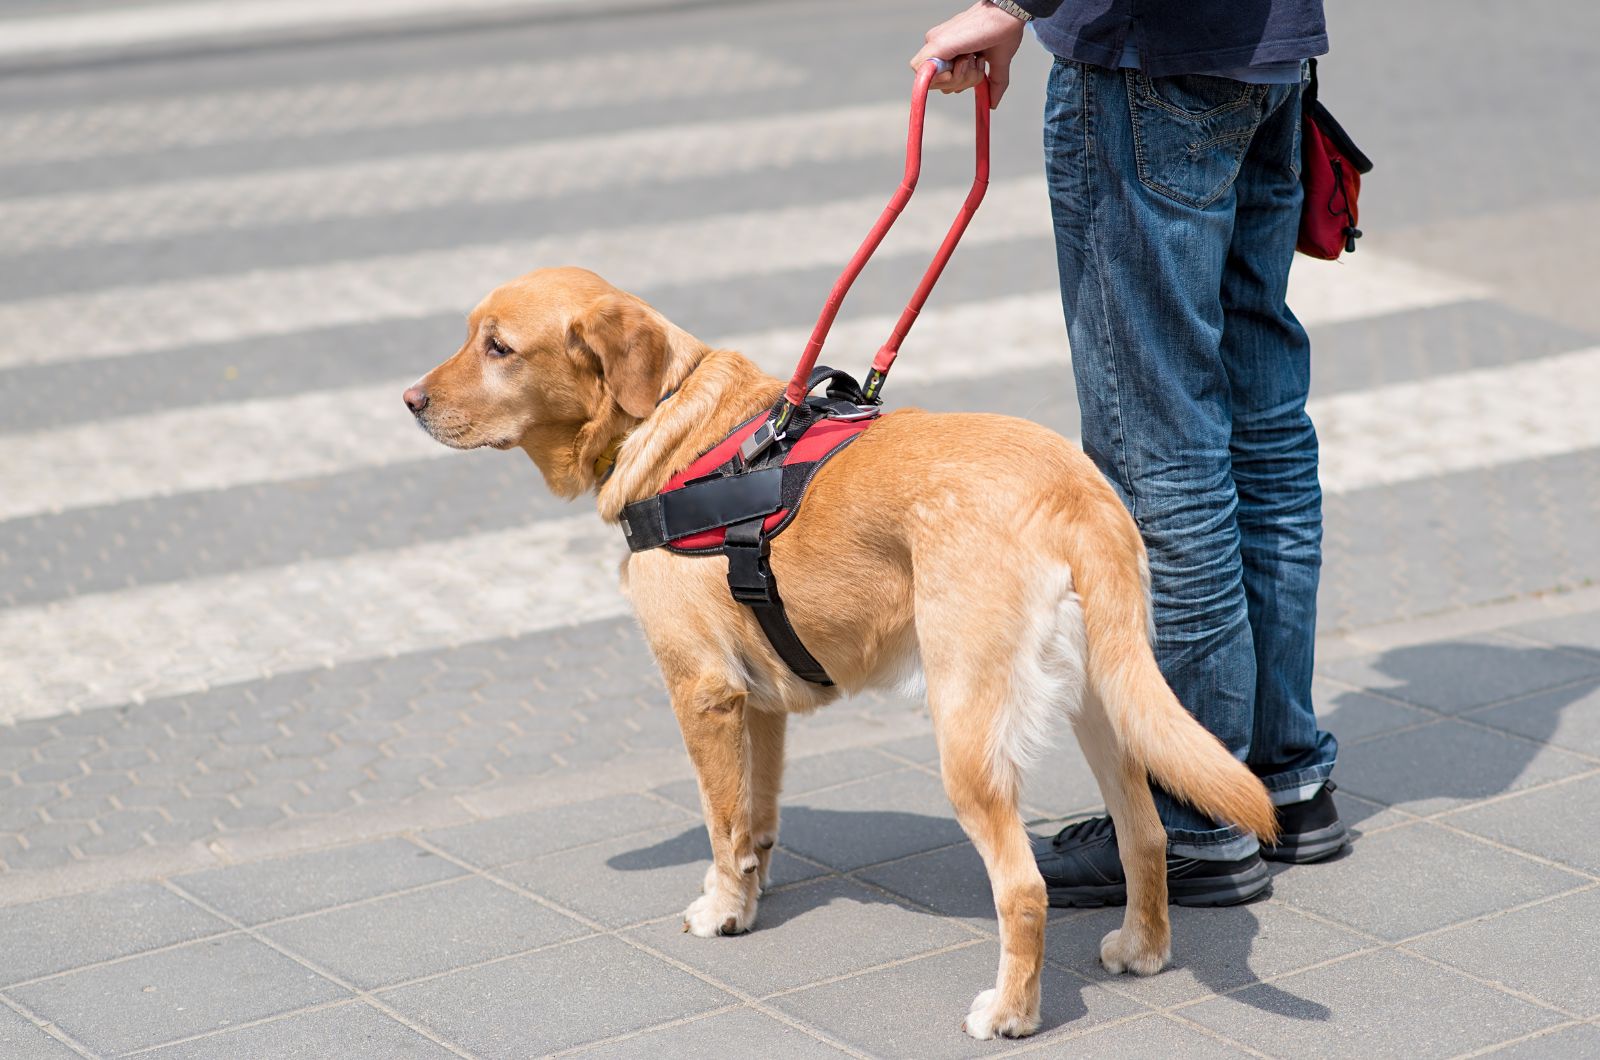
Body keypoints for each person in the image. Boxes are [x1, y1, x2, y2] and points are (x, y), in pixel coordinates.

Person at [912, 1, 1346, 907]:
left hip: (1151, 61)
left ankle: (1196, 823)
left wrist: (1009, 6)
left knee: (1161, 451)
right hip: (1268, 58)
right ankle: (1283, 781)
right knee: (1262, 430)